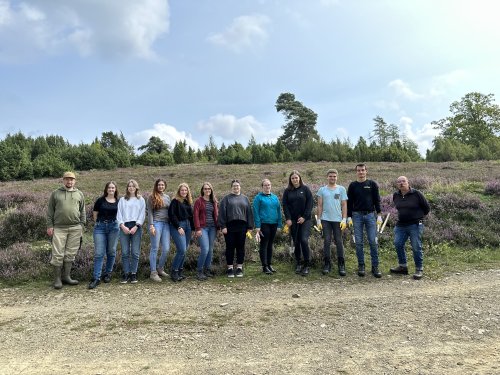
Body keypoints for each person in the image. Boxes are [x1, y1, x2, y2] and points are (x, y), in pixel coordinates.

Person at [46, 171, 86, 289]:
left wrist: (82, 225)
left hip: (75, 228)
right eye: (67, 179)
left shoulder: (79, 194)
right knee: (57, 253)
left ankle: (66, 277)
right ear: (63, 180)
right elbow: (50, 211)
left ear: (75, 181)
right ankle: (57, 279)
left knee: (70, 253)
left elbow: (82, 210)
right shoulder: (55, 193)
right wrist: (50, 225)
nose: (69, 181)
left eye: (72, 179)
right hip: (59, 228)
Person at [391, 176, 431, 280]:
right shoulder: (396, 195)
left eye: (403, 181)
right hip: (401, 225)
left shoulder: (417, 194)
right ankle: (403, 267)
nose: (401, 183)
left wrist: (418, 217)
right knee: (398, 243)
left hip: (415, 225)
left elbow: (426, 208)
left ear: (408, 182)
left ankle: (419, 269)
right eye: (399, 182)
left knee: (416, 246)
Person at [347, 163, 383, 278]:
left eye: (363, 170)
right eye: (358, 170)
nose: (361, 172)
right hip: (356, 216)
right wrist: (348, 216)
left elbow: (377, 200)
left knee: (373, 241)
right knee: (358, 242)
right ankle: (361, 265)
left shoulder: (372, 184)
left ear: (366, 171)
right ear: (356, 172)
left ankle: (375, 266)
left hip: (370, 216)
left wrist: (379, 215)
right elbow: (349, 202)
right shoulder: (352, 185)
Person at [218, 179, 254, 278]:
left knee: (240, 247)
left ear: (240, 187)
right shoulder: (226, 199)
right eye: (234, 186)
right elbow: (221, 213)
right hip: (229, 227)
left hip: (242, 226)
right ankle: (229, 269)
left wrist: (250, 227)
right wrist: (223, 226)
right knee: (230, 248)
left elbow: (249, 213)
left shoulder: (245, 198)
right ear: (231, 187)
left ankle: (239, 268)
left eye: (237, 185)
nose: (236, 187)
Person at [316, 169, 348, 276]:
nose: (332, 178)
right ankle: (327, 264)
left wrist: (344, 219)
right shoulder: (322, 190)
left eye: (334, 176)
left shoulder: (341, 189)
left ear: (337, 177)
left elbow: (344, 205)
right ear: (327, 177)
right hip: (325, 220)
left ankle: (341, 264)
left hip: (338, 220)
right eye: (330, 176)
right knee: (327, 241)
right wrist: (318, 220)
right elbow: (320, 205)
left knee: (339, 241)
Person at [88, 181, 120, 289]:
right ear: (106, 189)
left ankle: (107, 273)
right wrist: (98, 223)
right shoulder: (100, 200)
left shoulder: (119, 201)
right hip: (100, 228)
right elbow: (95, 213)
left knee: (111, 251)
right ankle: (96, 278)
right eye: (109, 188)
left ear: (115, 189)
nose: (111, 189)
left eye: (113, 188)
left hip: (114, 228)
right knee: (99, 253)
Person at [282, 170, 313, 276]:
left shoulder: (305, 189)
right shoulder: (287, 191)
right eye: (292, 178)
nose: (295, 179)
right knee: (296, 242)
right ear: (290, 180)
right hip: (293, 221)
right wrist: (288, 219)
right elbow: (285, 205)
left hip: (305, 220)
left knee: (304, 240)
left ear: (299, 178)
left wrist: (304, 217)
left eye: (296, 177)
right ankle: (298, 263)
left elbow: (310, 204)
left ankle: (306, 264)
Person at [117, 179, 146, 284]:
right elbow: (119, 214)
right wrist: (122, 226)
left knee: (135, 252)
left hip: (136, 226)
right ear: (127, 188)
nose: (131, 188)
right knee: (125, 252)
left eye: (133, 186)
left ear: (136, 187)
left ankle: (133, 273)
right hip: (124, 225)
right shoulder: (122, 200)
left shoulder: (141, 199)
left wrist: (136, 226)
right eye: (129, 186)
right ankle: (126, 273)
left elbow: (142, 214)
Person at [253, 179, 283, 274]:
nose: (267, 187)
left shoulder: (275, 197)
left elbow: (279, 211)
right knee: (264, 244)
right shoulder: (258, 198)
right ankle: (264, 266)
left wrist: (279, 224)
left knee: (270, 244)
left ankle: (269, 264)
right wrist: (257, 226)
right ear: (262, 187)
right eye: (265, 185)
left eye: (269, 185)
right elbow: (255, 212)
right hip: (264, 224)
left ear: (271, 186)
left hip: (274, 224)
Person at [168, 183, 194, 282]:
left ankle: (179, 271)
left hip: (188, 226)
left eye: (185, 190)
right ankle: (174, 271)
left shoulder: (188, 202)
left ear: (188, 192)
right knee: (182, 250)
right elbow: (172, 215)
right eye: (182, 190)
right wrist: (178, 226)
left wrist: (193, 228)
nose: (184, 192)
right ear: (179, 191)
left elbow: (191, 216)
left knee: (185, 250)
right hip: (178, 226)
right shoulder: (175, 201)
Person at [193, 182, 219, 281]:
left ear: (211, 190)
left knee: (211, 249)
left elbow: (216, 215)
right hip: (202, 228)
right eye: (205, 189)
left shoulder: (214, 201)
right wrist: (198, 229)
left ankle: (207, 270)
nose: (207, 190)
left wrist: (218, 227)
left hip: (212, 228)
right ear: (202, 190)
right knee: (205, 249)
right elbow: (195, 216)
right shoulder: (198, 201)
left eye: (209, 189)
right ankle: (199, 271)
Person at [147, 178, 171, 282]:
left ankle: (160, 268)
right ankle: (153, 272)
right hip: (156, 223)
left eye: (162, 185)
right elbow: (150, 213)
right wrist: (151, 225)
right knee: (155, 248)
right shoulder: (151, 197)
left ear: (165, 186)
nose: (161, 186)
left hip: (166, 224)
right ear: (156, 186)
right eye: (159, 185)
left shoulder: (167, 197)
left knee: (166, 249)